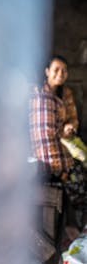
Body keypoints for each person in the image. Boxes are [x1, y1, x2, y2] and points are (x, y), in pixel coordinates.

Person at [29, 54, 86, 238]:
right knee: (68, 175)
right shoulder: (36, 94)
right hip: (40, 151)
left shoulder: (65, 94)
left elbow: (72, 121)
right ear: (47, 71)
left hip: (61, 142)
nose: (60, 74)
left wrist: (69, 128)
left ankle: (72, 224)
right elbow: (38, 130)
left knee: (78, 170)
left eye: (64, 71)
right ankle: (69, 225)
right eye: (56, 70)